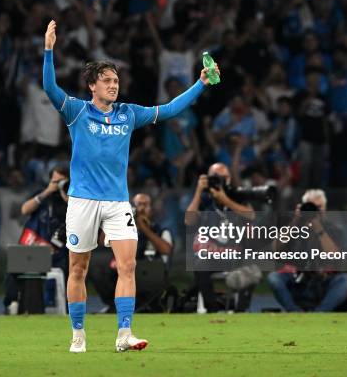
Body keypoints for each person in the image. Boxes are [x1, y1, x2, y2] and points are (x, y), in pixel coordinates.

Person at [42, 19, 218, 353]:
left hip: (118, 203)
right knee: (77, 268)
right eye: (107, 80)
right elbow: (50, 88)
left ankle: (124, 335)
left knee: (128, 264)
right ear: (92, 85)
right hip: (81, 201)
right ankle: (78, 334)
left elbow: (167, 110)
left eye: (116, 80)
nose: (113, 85)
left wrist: (200, 84)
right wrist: (49, 50)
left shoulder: (127, 114)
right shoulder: (77, 111)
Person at [266, 189, 347, 312]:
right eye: (310, 207)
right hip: (298, 283)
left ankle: (320, 313)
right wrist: (295, 221)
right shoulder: (293, 228)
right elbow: (274, 249)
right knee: (274, 277)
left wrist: (317, 226)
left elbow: (334, 255)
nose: (314, 211)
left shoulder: (334, 229)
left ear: (325, 208)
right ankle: (294, 312)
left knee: (346, 280)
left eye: (318, 207)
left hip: (322, 283)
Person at [184, 163, 256, 312]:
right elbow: (188, 220)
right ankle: (213, 310)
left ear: (229, 179)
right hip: (212, 255)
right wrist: (198, 191)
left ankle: (240, 311)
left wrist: (225, 199)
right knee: (200, 264)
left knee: (251, 267)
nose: (219, 181)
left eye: (222, 178)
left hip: (236, 254)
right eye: (215, 177)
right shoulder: (204, 200)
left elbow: (251, 214)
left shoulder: (237, 196)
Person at [89, 193, 173, 312]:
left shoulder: (160, 230)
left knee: (144, 272)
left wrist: (144, 228)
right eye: (139, 205)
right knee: (97, 271)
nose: (142, 208)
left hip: (150, 272)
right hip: (124, 268)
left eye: (145, 205)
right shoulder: (124, 227)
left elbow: (166, 250)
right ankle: (114, 306)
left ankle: (137, 307)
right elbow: (102, 241)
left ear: (151, 209)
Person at [3, 166, 70, 314]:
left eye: (61, 181)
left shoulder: (73, 199)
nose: (58, 184)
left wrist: (66, 194)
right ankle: (12, 302)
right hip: (33, 250)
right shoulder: (43, 195)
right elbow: (25, 210)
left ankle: (58, 305)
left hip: (57, 254)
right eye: (55, 180)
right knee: (14, 263)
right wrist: (47, 191)